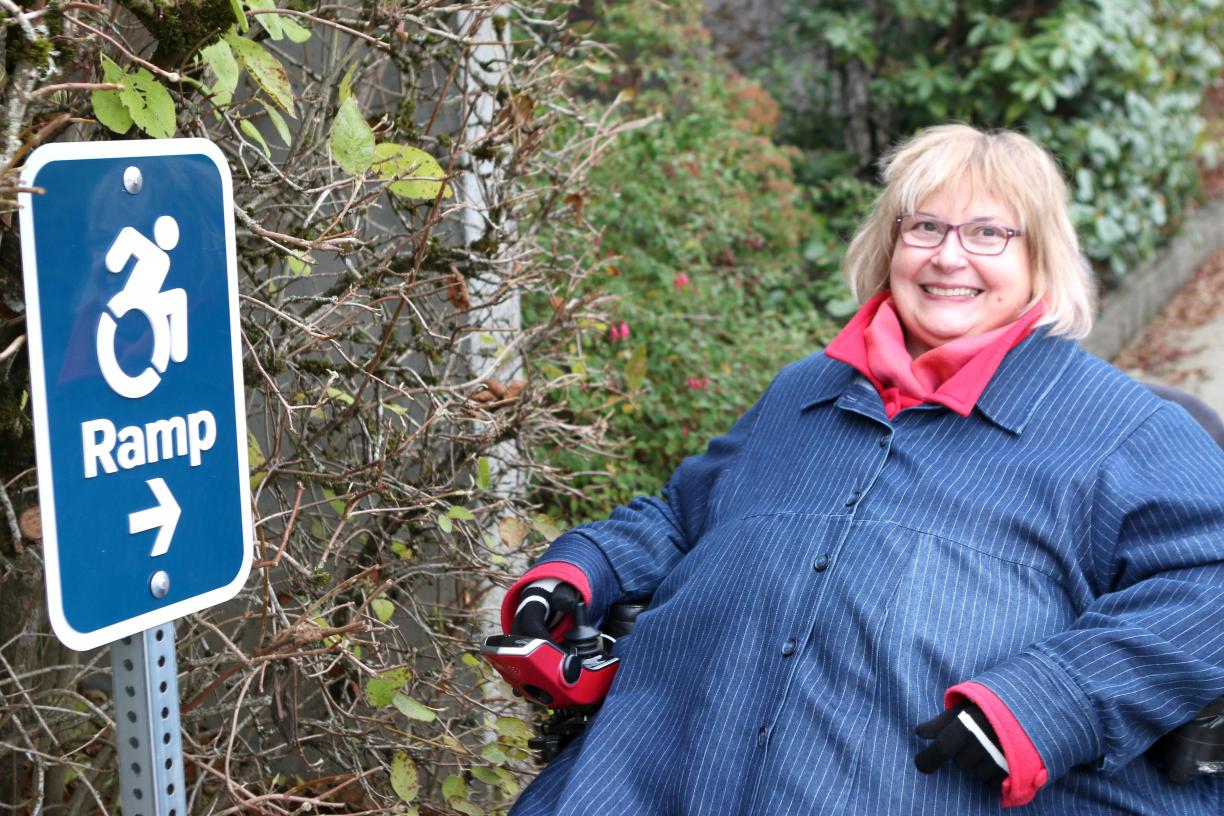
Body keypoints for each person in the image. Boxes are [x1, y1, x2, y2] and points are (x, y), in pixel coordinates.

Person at [500, 124, 1224, 814]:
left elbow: (1209, 581)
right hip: (666, 770)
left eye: (988, 233)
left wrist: (1049, 702)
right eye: (925, 227)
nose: (948, 256)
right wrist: (579, 570)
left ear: (1041, 258)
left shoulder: (1123, 429)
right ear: (890, 245)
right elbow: (685, 513)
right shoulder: (804, 391)